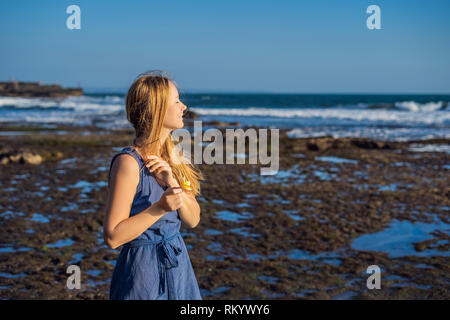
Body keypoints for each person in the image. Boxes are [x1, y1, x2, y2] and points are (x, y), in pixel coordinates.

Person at [104, 70, 203, 299]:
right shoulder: (128, 163)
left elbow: (193, 219)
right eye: (176, 101)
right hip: (142, 275)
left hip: (179, 269)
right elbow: (113, 236)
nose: (184, 106)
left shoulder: (176, 158)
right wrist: (160, 207)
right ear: (156, 109)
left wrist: (174, 183)